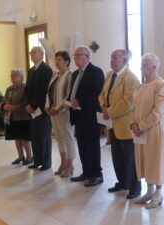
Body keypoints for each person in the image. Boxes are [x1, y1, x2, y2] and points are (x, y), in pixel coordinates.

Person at [98, 49, 141, 199]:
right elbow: (102, 94)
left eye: (115, 58)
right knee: (117, 156)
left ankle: (135, 187)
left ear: (124, 60)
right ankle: (122, 182)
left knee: (130, 158)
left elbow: (127, 103)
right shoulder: (110, 75)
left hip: (125, 124)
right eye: (111, 57)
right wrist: (103, 106)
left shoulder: (131, 79)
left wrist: (109, 111)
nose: (112, 60)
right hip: (112, 123)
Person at [131, 53, 164, 209]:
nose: (142, 67)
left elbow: (158, 111)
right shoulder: (142, 85)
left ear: (154, 66)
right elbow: (134, 108)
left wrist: (141, 125)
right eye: (142, 64)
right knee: (144, 159)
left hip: (154, 129)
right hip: (140, 130)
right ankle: (150, 191)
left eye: (145, 64)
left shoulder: (160, 84)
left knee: (155, 159)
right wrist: (133, 124)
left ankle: (159, 193)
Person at [67, 46, 105, 187]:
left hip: (91, 116)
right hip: (78, 114)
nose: (75, 58)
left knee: (92, 146)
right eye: (74, 55)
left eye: (78, 55)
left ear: (87, 57)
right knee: (82, 145)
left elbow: (97, 93)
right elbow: (73, 92)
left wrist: (80, 101)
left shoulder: (96, 72)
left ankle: (96, 174)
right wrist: (68, 101)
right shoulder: (76, 73)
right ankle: (86, 172)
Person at [45, 51, 76, 177]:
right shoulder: (55, 75)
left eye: (59, 59)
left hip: (64, 112)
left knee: (68, 138)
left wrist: (57, 109)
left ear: (66, 61)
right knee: (59, 138)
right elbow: (49, 93)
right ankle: (63, 162)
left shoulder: (70, 75)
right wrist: (47, 107)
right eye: (56, 59)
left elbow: (68, 95)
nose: (56, 62)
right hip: (53, 112)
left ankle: (70, 165)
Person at [25, 46, 53, 171]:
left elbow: (44, 91)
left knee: (44, 136)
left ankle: (46, 163)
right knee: (34, 136)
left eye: (34, 52)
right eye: (30, 53)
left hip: (41, 109)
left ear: (41, 55)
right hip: (31, 109)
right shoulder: (31, 71)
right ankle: (37, 161)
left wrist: (33, 105)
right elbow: (27, 91)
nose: (31, 54)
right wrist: (27, 104)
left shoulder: (46, 69)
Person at [0, 69, 33, 165]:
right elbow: (4, 100)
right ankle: (20, 156)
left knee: (24, 138)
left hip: (23, 116)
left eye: (15, 75)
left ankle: (29, 157)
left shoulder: (25, 87)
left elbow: (26, 102)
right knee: (17, 137)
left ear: (21, 77)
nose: (12, 77)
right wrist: (4, 105)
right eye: (11, 75)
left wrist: (15, 107)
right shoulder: (9, 89)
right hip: (12, 117)